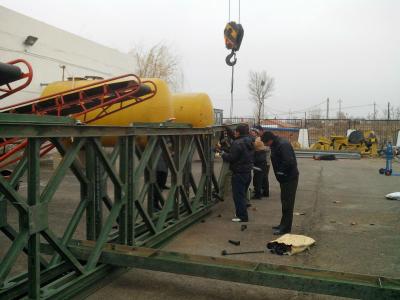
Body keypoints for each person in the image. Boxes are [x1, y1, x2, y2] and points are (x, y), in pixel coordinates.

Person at [261, 131, 299, 235]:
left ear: (270, 140)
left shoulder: (283, 145)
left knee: (288, 204)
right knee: (285, 202)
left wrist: (281, 171)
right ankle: (283, 225)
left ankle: (286, 228)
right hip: (285, 178)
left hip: (289, 178)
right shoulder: (276, 144)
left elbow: (289, 161)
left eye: (265, 143)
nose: (265, 145)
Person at [222, 123, 254, 222]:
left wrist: (223, 154)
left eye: (235, 131)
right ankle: (241, 212)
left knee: (238, 196)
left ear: (238, 132)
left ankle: (242, 217)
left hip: (239, 173)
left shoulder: (237, 143)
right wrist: (227, 128)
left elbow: (232, 158)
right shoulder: (249, 140)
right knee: (242, 194)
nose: (234, 133)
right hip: (247, 172)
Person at [250, 129, 268, 199]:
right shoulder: (258, 139)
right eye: (251, 132)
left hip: (259, 160)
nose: (251, 133)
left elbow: (253, 146)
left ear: (256, 133)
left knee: (258, 178)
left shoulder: (258, 139)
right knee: (262, 177)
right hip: (261, 159)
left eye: (253, 132)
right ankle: (264, 192)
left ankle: (258, 194)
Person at [255, 125, 270, 197]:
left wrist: (260, 148)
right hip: (265, 160)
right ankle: (264, 192)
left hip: (266, 161)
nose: (256, 132)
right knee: (263, 177)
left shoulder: (264, 138)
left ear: (261, 131)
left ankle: (264, 192)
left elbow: (268, 148)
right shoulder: (259, 138)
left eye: (257, 131)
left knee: (263, 177)